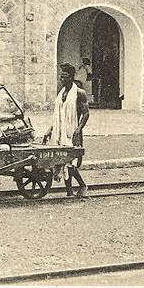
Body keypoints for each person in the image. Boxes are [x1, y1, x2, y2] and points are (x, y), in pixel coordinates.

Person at [43, 63, 90, 197]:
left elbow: (86, 114)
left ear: (72, 77)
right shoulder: (61, 93)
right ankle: (69, 192)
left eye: (65, 76)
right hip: (59, 132)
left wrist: (78, 129)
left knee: (69, 163)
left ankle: (82, 185)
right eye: (61, 76)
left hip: (72, 132)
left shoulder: (79, 93)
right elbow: (58, 115)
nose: (62, 79)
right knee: (62, 161)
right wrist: (50, 129)